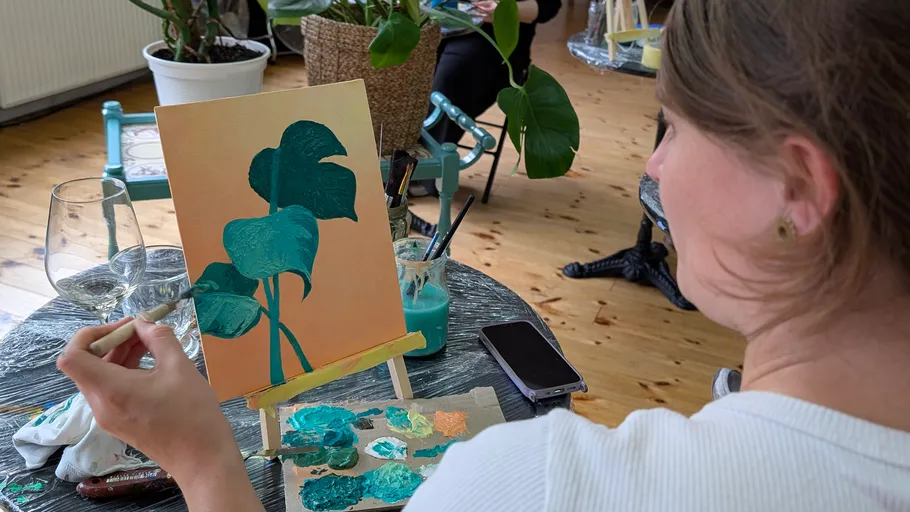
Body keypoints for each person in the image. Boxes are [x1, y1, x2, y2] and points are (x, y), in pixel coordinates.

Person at [58, 0, 910, 510]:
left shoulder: (538, 485)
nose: (652, 165)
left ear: (797, 188)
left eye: (675, 127)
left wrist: (204, 461)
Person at [411, 0, 561, 196]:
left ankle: (424, 172)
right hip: (434, 20)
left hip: (493, 37)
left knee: (453, 76)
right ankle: (388, 162)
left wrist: (504, 11)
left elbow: (548, 7)